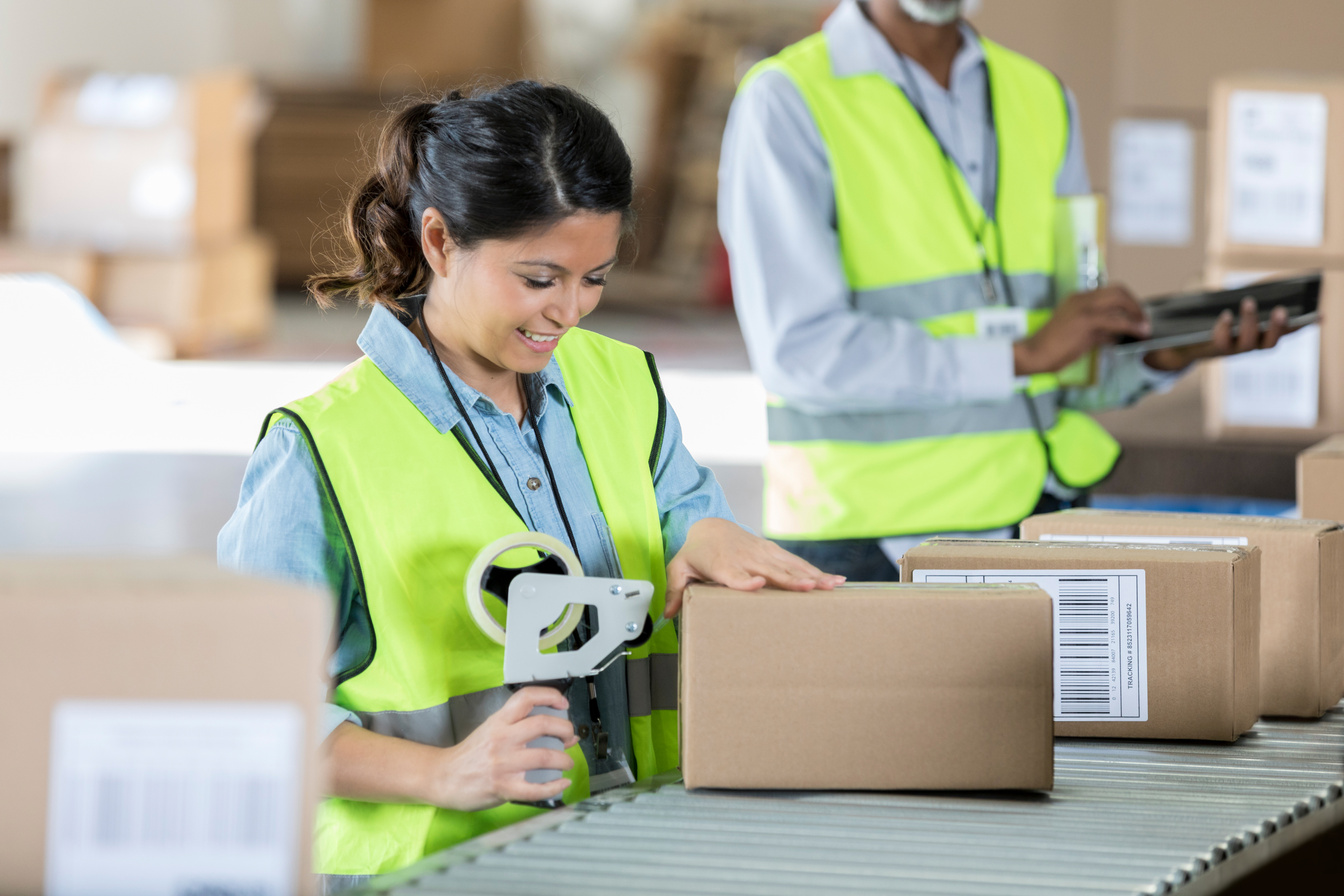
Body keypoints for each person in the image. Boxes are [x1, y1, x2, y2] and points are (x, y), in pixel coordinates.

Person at [219, 81, 843, 889]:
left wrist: (708, 536)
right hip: (434, 872)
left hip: (625, 850)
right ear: (439, 242)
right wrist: (447, 774)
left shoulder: (626, 387)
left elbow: (682, 516)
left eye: (596, 279)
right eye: (540, 278)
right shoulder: (319, 450)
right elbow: (247, 714)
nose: (570, 311)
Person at [718, 0, 1291, 581]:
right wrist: (1023, 355)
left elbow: (1061, 360)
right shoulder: (788, 100)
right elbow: (800, 353)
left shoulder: (1038, 94)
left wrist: (1165, 353)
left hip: (1040, 518)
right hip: (869, 542)